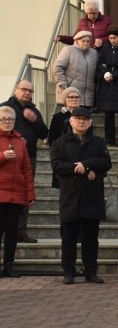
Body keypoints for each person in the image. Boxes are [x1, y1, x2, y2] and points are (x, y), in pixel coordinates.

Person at [49, 107, 111, 285]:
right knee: (68, 237)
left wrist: (88, 164)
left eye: (85, 119)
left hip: (92, 197)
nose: (81, 121)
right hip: (70, 198)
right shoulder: (59, 143)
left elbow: (106, 163)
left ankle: (91, 271)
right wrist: (82, 170)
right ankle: (69, 271)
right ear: (71, 121)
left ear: (90, 122)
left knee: (91, 239)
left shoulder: (98, 142)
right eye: (77, 118)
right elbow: (57, 166)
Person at [2, 80, 47, 243]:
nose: (27, 93)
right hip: (6, 158)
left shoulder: (33, 110)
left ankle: (20, 230)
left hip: (29, 158)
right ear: (16, 90)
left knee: (24, 193)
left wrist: (35, 120)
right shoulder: (5, 107)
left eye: (30, 91)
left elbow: (44, 134)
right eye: (24, 89)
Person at [0, 106, 35, 277]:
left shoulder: (20, 141)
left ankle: (8, 265)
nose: (7, 122)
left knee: (12, 231)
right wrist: (2, 156)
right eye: (3, 119)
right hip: (0, 193)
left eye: (10, 119)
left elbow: (27, 169)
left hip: (16, 194)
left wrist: (30, 193)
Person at [54, 31, 99, 108]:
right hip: (71, 93)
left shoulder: (94, 53)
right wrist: (62, 84)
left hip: (88, 96)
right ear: (76, 41)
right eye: (83, 41)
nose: (86, 43)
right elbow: (57, 67)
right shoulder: (68, 50)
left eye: (88, 41)